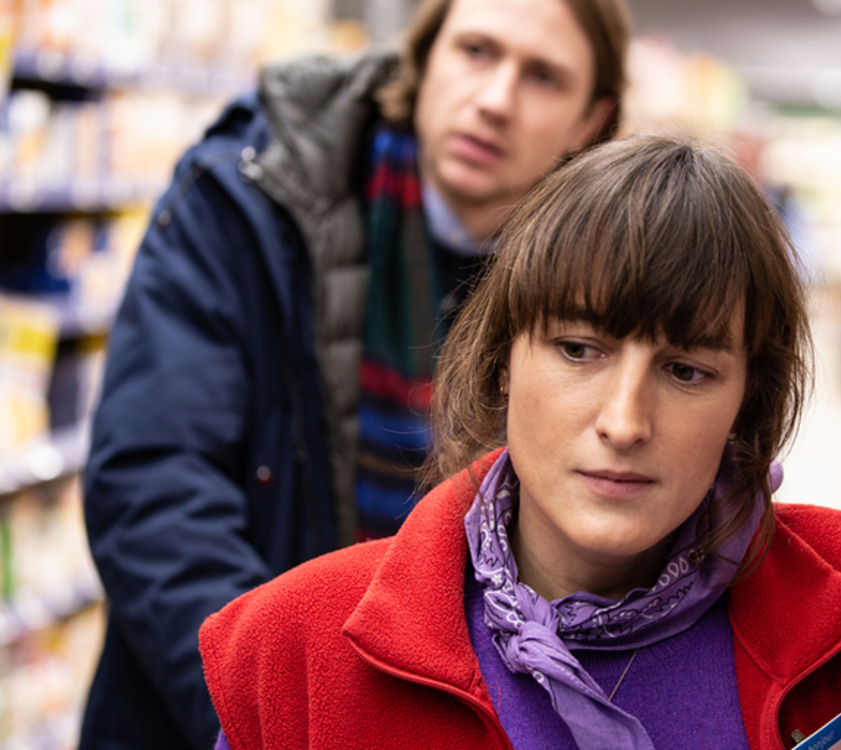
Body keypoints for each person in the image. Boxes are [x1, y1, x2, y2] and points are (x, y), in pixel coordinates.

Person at [199, 135, 841, 750]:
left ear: (745, 404)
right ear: (503, 361)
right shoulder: (296, 657)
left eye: (686, 371)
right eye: (579, 350)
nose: (624, 421)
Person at [80, 0, 630, 747]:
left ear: (590, 120)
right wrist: (278, 712)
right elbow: (154, 485)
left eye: (543, 77)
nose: (496, 100)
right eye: (476, 51)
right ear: (423, 57)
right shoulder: (253, 197)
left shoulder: (602, 289)